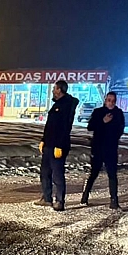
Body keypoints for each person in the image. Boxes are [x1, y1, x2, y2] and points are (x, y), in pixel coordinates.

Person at [35, 80, 79, 211]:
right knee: (45, 172)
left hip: (57, 146)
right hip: (49, 145)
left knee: (57, 174)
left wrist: (59, 145)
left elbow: (65, 127)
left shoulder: (66, 106)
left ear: (59, 90)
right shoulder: (57, 105)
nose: (53, 90)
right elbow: (50, 126)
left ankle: (60, 201)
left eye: (54, 88)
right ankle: (47, 198)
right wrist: (44, 140)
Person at [81, 92, 125, 209]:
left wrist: (115, 135)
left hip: (111, 149)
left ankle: (114, 200)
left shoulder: (118, 113)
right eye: (108, 100)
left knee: (112, 174)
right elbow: (90, 126)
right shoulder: (98, 112)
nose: (110, 102)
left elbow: (121, 128)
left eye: (113, 100)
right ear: (105, 100)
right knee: (94, 173)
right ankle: (85, 195)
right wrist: (103, 121)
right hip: (98, 148)